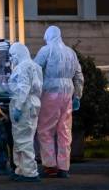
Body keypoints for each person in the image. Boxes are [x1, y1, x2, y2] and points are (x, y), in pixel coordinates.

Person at [34, 26, 84, 178]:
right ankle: (64, 168)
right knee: (64, 130)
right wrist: (78, 96)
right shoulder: (71, 53)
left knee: (45, 129)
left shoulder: (46, 50)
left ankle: (50, 166)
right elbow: (79, 75)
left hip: (50, 92)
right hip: (67, 93)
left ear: (48, 36)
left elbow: (34, 70)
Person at [8, 43, 43, 182]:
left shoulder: (23, 67)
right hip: (31, 104)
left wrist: (18, 106)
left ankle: (30, 173)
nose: (11, 59)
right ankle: (21, 170)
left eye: (12, 55)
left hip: (23, 105)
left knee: (24, 140)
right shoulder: (34, 66)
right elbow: (38, 88)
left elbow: (23, 88)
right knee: (21, 138)